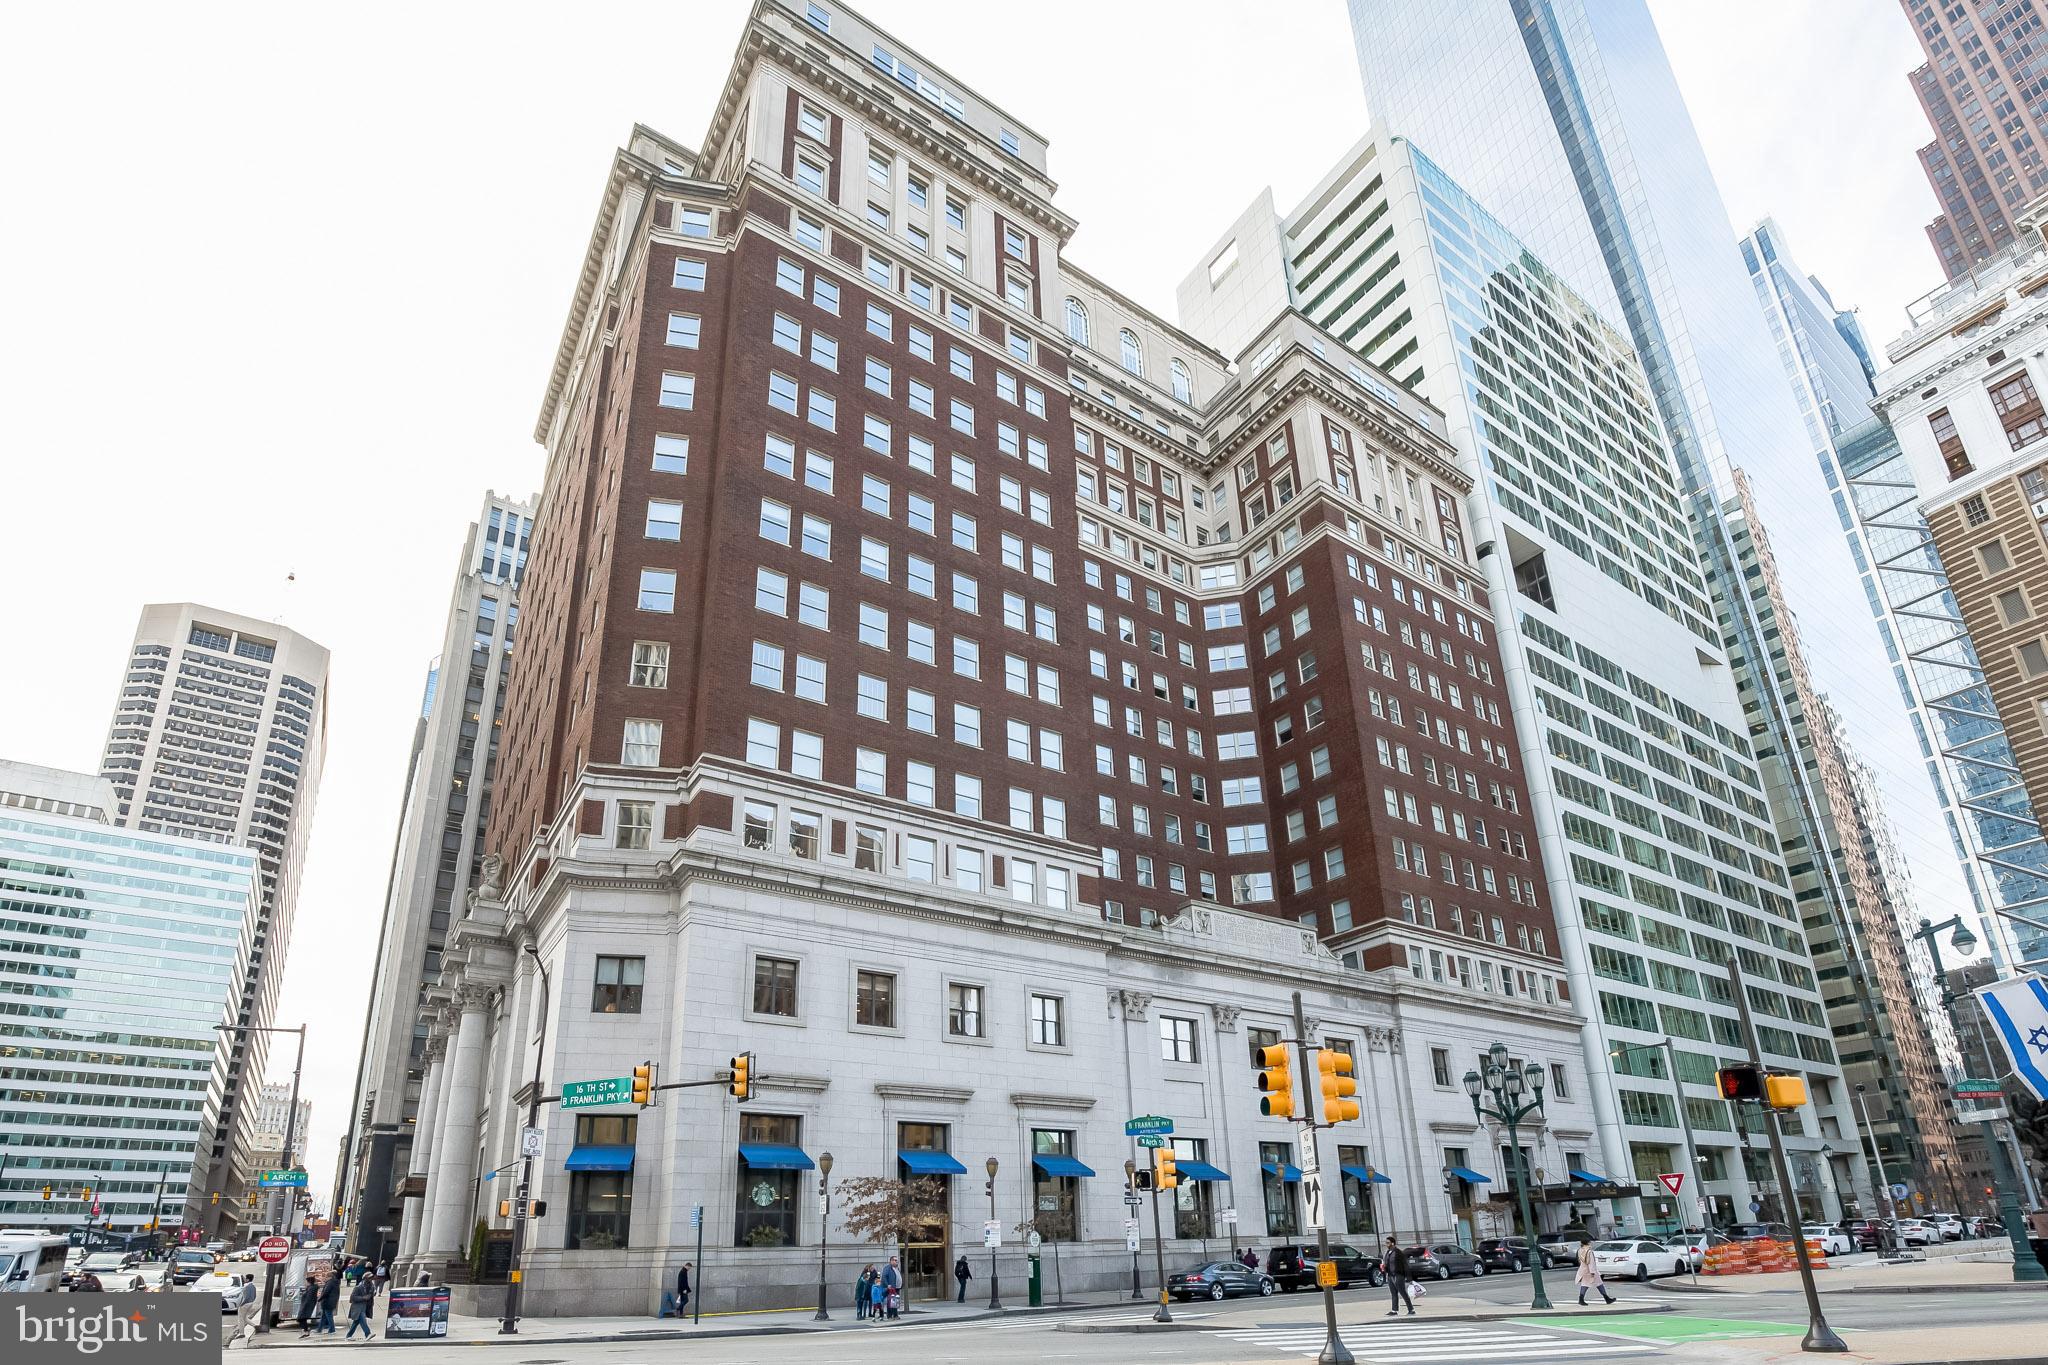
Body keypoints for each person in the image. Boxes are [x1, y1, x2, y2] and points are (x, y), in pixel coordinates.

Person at [1575, 1236, 1615, 1306]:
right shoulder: (1589, 1251)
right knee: (1598, 1283)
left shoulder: (1579, 1250)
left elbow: (1579, 1260)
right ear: (1588, 1243)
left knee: (1586, 1284)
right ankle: (1606, 1298)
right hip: (1590, 1270)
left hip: (1583, 1269)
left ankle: (1581, 1299)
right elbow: (1591, 1262)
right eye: (1589, 1242)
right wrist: (1592, 1272)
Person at [1383, 1236, 1415, 1317]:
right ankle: (1394, 1310)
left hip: (1398, 1275)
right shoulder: (1388, 1252)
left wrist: (1409, 1278)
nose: (1386, 1244)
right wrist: (1384, 1268)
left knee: (1403, 1292)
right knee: (1393, 1293)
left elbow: (1405, 1265)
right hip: (1390, 1275)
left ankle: (1411, 1309)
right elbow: (1387, 1263)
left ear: (1392, 1243)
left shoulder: (1398, 1252)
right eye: (1386, 1243)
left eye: (1388, 1242)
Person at [347, 1271, 377, 1340]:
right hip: (357, 1307)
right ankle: (368, 1334)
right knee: (363, 1319)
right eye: (369, 1278)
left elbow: (370, 1295)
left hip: (364, 1306)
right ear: (365, 1279)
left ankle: (348, 1335)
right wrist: (363, 1298)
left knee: (356, 1322)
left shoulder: (371, 1287)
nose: (371, 1279)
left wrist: (372, 1295)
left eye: (371, 1278)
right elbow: (352, 1298)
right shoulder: (358, 1287)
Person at [319, 1265, 344, 1334]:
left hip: (328, 1302)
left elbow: (326, 1292)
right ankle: (319, 1329)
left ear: (329, 1277)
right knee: (324, 1316)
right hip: (331, 1301)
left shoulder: (330, 1283)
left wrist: (320, 1299)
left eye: (326, 1277)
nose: (325, 1278)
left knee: (329, 1316)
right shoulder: (335, 1282)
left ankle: (332, 1329)